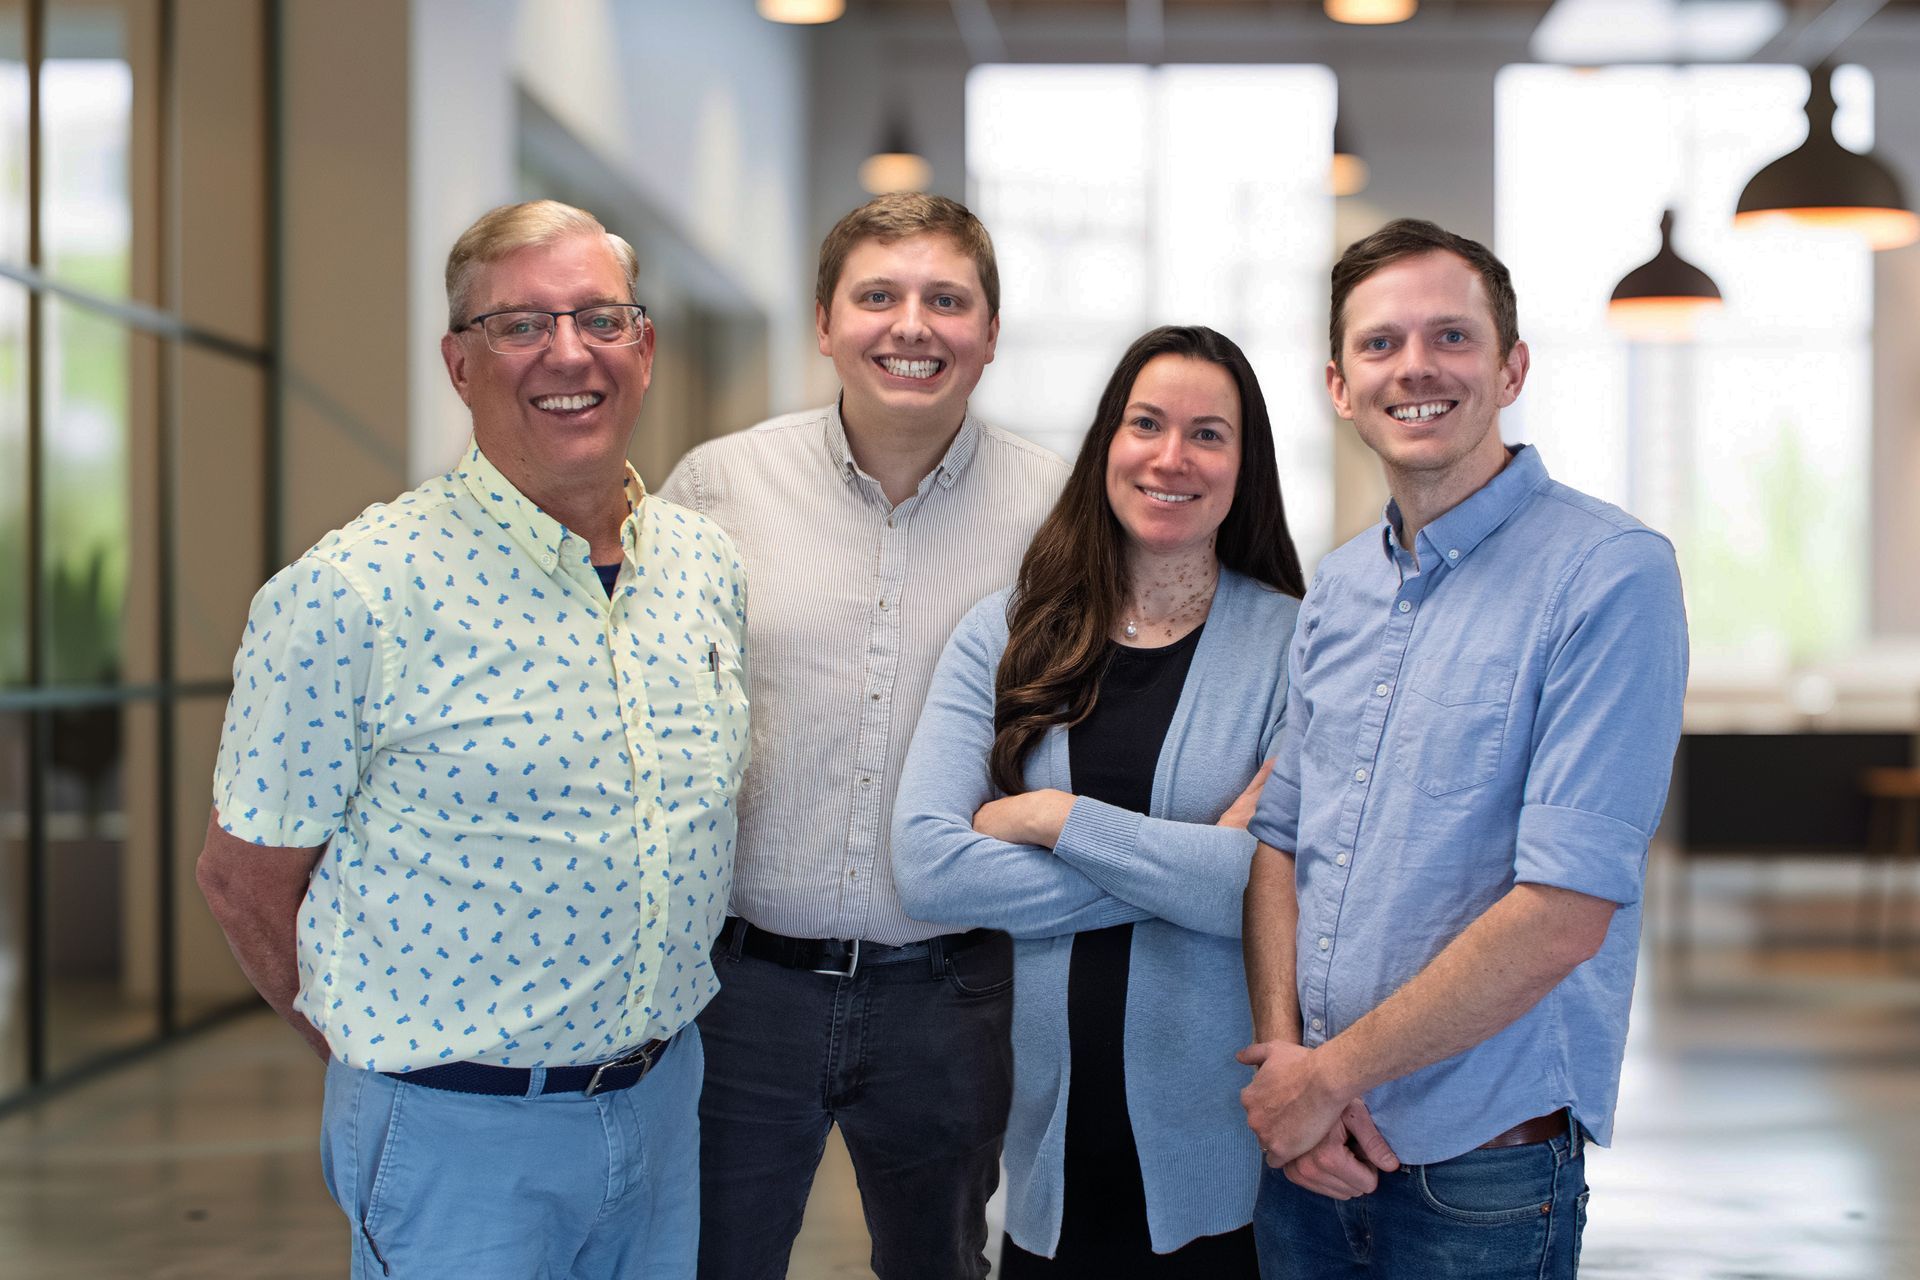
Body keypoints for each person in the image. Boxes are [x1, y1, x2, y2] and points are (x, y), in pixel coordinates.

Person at [195, 199, 748, 1279]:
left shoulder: (704, 567)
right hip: (456, 1133)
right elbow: (242, 876)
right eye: (521, 325)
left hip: (667, 1101)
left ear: (643, 345)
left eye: (599, 316)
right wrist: (378, 1053)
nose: (567, 352)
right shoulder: (354, 592)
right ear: (460, 362)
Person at [1238, 218, 1688, 1279]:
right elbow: (1278, 841)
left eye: (1452, 335)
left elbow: (1565, 910)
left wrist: (1324, 1078)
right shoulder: (1339, 586)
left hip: (1479, 1172)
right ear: (1341, 385)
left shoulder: (1609, 575)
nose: (1417, 367)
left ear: (1511, 366)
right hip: (1307, 1153)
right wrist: (1290, 1070)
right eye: (1382, 343)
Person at [657, 193, 1068, 1280]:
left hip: (956, 995)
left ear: (989, 331)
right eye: (878, 295)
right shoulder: (717, 486)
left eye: (947, 299)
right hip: (743, 990)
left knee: (940, 1265)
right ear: (825, 323)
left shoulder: (1059, 512)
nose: (912, 324)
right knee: (712, 1261)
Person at [892, 325, 1307, 1274]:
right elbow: (929, 869)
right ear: (1105, 446)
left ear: (1246, 465)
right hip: (1049, 1155)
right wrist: (1196, 862)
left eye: (1209, 434)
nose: (1172, 457)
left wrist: (1051, 820)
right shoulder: (1004, 633)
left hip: (1228, 1158)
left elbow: (1278, 887)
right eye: (1147, 424)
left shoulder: (1298, 646)